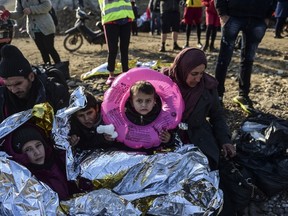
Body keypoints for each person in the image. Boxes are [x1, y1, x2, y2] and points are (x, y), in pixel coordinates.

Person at [161, 48, 237, 215]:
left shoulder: (208, 87)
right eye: (194, 73)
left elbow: (217, 116)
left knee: (208, 181)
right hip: (168, 139)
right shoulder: (164, 83)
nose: (198, 78)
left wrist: (225, 140)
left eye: (201, 73)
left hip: (199, 137)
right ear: (182, 69)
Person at [214, 0, 276, 112]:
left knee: (248, 59)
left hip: (258, 18)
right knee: (224, 59)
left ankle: (243, 95)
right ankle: (218, 96)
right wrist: (222, 13)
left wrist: (268, 16)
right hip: (233, 16)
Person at [0, 44, 70, 122]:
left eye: (18, 84)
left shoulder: (53, 92)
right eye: (8, 85)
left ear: (31, 77)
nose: (14, 90)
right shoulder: (3, 98)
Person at [11, 124, 81, 200]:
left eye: (38, 145)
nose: (37, 152)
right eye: (28, 149)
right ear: (22, 155)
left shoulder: (59, 161)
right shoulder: (23, 181)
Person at [0, 0, 61, 65]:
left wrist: (31, 9)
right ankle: (48, 69)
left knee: (50, 48)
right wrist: (8, 14)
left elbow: (47, 6)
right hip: (33, 29)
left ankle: (61, 68)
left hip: (46, 26)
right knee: (42, 51)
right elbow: (19, 13)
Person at [125, 81, 173, 147]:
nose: (144, 105)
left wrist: (169, 139)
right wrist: (108, 139)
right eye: (139, 101)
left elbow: (173, 136)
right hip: (129, 150)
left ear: (154, 102)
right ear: (132, 103)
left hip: (153, 151)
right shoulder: (125, 116)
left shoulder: (161, 115)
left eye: (148, 100)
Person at [98, 0, 135, 85]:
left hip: (126, 18)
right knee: (112, 49)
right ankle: (111, 74)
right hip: (111, 19)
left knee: (124, 49)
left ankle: (125, 73)